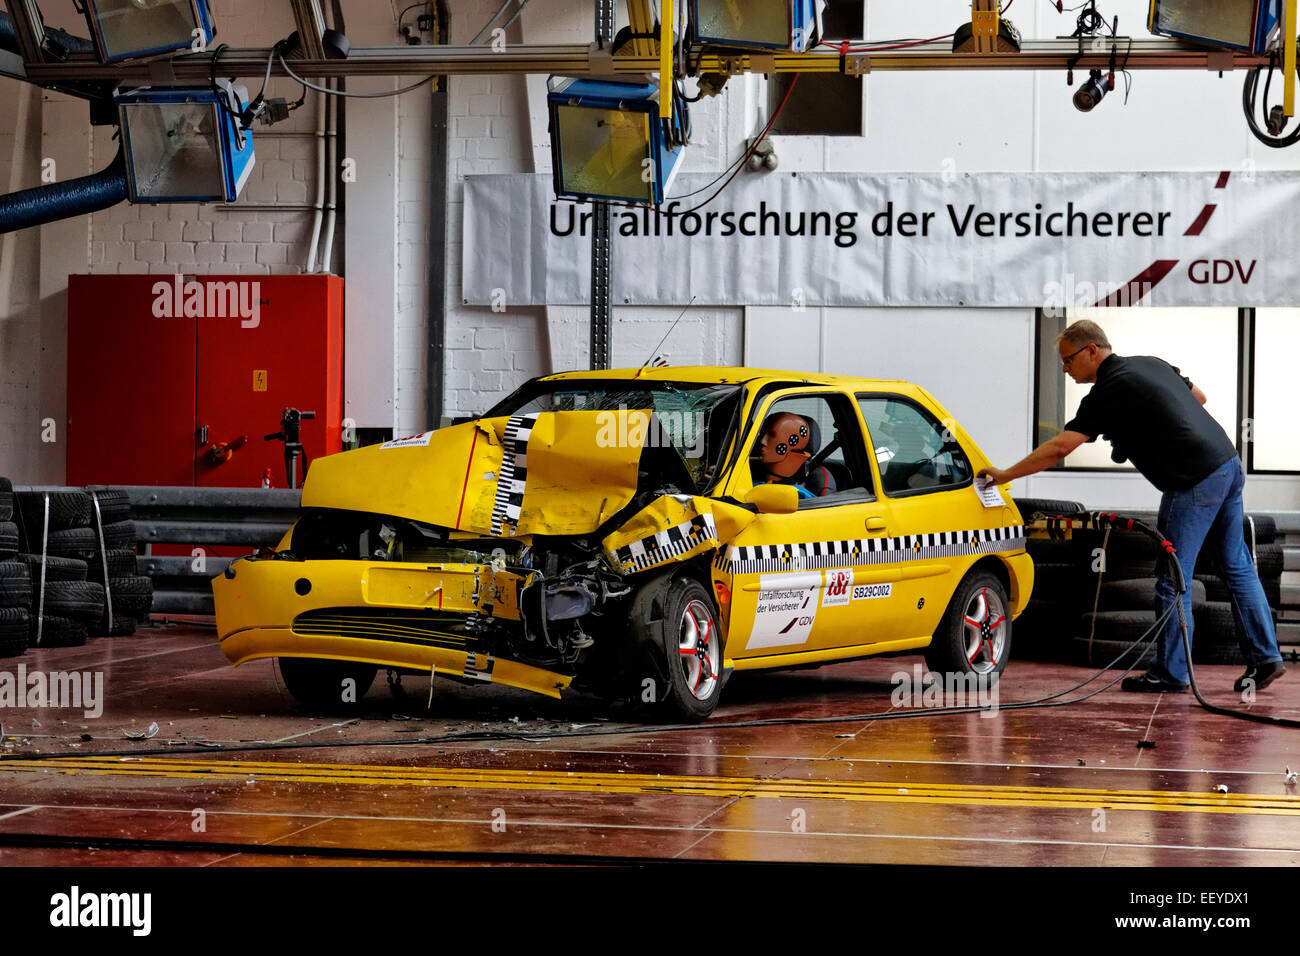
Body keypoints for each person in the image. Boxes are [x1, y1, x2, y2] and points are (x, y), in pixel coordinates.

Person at [978, 320, 1285, 695]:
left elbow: (1060, 448)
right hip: (1228, 465)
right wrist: (1141, 429)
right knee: (1235, 563)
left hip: (1193, 480)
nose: (1065, 369)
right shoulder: (1151, 363)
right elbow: (1198, 398)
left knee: (1172, 576)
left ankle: (1171, 673)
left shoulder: (1107, 391)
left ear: (1092, 350)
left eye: (1068, 360)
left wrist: (1005, 473)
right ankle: (1266, 656)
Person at [755, 412, 836, 499]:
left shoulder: (800, 494)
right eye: (762, 434)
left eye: (772, 435)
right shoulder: (747, 472)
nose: (762, 441)